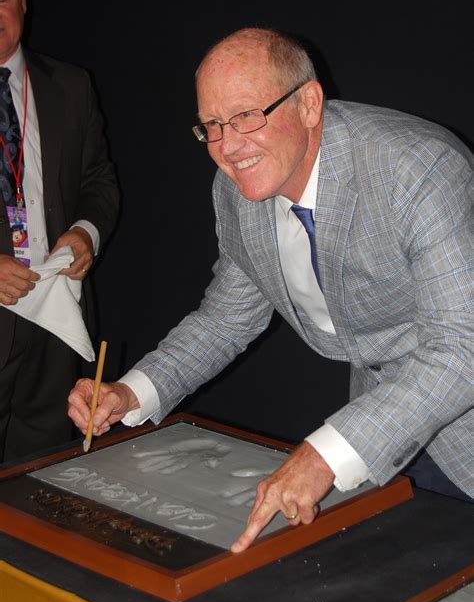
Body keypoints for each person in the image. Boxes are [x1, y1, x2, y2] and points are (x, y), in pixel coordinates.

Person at [68, 28, 472, 551]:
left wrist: (325, 454)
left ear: (308, 103)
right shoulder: (237, 192)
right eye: (211, 125)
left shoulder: (417, 170)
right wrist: (131, 393)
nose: (226, 147)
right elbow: (227, 319)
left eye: (245, 117)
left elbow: (462, 350)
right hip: (381, 429)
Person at [0, 0, 119, 462]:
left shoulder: (71, 86)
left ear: (24, 2)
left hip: (55, 320)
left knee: (42, 471)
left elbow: (99, 182)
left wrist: (85, 232)